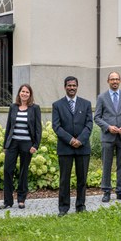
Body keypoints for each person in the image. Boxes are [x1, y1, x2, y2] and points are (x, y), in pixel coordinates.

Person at [52, 76, 93, 217]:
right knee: (64, 179)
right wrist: (70, 140)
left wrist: (80, 140)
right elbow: (56, 126)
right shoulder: (57, 105)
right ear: (65, 87)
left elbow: (89, 124)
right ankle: (63, 208)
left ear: (77, 86)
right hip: (65, 148)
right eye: (69, 85)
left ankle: (81, 206)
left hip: (83, 147)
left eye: (74, 85)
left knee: (82, 179)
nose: (71, 88)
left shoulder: (86, 104)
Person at [0, 84, 42, 210]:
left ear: (30, 94)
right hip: (13, 143)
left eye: (27, 92)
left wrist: (36, 145)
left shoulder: (35, 108)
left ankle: (21, 199)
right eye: (22, 91)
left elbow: (38, 129)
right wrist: (5, 145)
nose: (24, 94)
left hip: (27, 144)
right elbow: (8, 126)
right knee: (8, 170)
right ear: (19, 93)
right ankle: (8, 201)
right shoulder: (13, 107)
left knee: (23, 171)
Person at [94, 72, 121, 202]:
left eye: (117, 79)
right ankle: (106, 191)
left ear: (120, 81)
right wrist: (108, 127)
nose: (115, 81)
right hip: (108, 136)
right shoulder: (102, 97)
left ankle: (120, 191)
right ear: (108, 81)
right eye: (112, 79)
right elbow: (97, 117)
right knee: (107, 164)